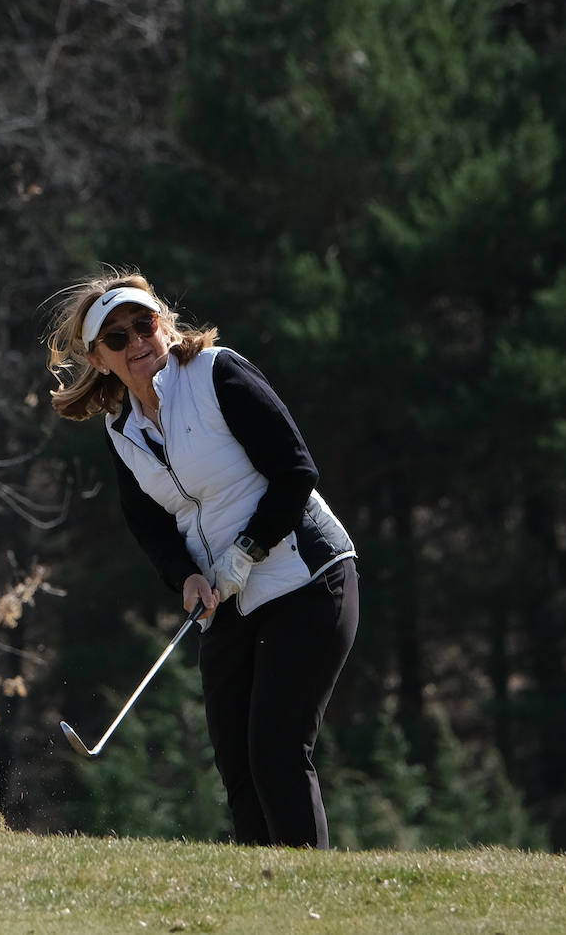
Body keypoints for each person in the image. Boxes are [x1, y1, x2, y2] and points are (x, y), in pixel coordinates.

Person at [45, 266, 358, 848]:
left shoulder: (217, 373)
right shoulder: (122, 429)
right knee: (237, 764)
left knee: (275, 751)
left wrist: (247, 549)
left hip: (307, 577)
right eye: (118, 338)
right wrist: (185, 576)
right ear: (99, 357)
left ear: (163, 324)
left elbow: (296, 471)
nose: (137, 342)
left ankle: (310, 897)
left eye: (145, 325)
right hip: (226, 596)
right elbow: (150, 526)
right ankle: (259, 898)